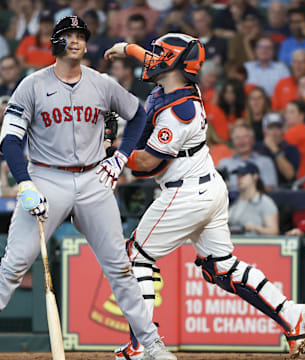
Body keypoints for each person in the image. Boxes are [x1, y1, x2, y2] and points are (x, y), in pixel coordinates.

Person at [104, 32, 305, 360]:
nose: (152, 57)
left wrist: (111, 148)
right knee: (222, 267)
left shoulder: (179, 111)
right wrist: (124, 49)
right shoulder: (175, 85)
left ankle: (143, 347)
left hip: (186, 192)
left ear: (173, 61)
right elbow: (154, 60)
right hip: (207, 187)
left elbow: (146, 162)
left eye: (160, 53)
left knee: (135, 257)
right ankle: (290, 313)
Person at [0, 16, 175, 360]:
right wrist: (25, 183)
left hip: (95, 179)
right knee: (14, 264)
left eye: (81, 35)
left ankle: (151, 343)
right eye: (69, 35)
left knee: (120, 266)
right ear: (55, 42)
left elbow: (138, 115)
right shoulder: (31, 85)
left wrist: (120, 156)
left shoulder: (102, 83)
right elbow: (9, 140)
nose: (77, 40)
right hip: (47, 178)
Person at [228, 161, 279, 235]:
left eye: (243, 174)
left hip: (254, 244)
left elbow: (274, 231)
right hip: (232, 243)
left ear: (255, 176)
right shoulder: (233, 201)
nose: (239, 178)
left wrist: (256, 228)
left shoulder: (265, 202)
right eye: (237, 175)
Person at [254, 112, 300, 188]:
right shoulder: (256, 147)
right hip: (258, 189)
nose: (274, 132)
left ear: (283, 130)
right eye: (270, 128)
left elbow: (290, 176)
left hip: (283, 191)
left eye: (278, 127)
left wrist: (274, 149)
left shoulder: (291, 149)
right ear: (264, 130)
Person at [284, 100, 305, 189]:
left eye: (292, 112)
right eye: (286, 112)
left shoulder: (295, 131)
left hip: (302, 178)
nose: (287, 115)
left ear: (302, 116)